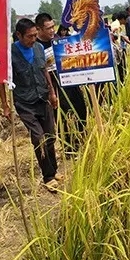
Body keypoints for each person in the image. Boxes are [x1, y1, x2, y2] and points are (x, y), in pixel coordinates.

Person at [0, 18, 61, 192]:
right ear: (19, 35)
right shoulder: (9, 54)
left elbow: (44, 70)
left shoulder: (39, 48)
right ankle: (48, 177)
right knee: (38, 138)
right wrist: (5, 105)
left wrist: (52, 92)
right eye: (29, 36)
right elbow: (0, 81)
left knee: (50, 136)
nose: (33, 39)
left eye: (35, 35)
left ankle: (54, 171)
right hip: (25, 103)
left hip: (43, 98)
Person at [34, 13, 87, 155]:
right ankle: (70, 147)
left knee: (80, 107)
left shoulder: (58, 41)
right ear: (39, 29)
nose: (52, 30)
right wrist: (50, 91)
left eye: (53, 26)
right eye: (48, 28)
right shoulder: (36, 48)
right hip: (54, 85)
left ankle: (82, 137)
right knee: (63, 116)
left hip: (70, 80)